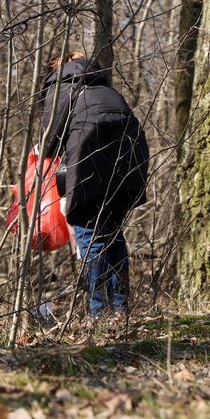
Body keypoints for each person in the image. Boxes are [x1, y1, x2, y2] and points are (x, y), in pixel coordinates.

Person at [41, 52, 150, 316]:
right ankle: (120, 309)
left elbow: (49, 140)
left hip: (90, 166)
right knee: (112, 233)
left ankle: (98, 312)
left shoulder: (62, 88)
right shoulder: (106, 89)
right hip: (130, 167)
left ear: (59, 68)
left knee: (91, 235)